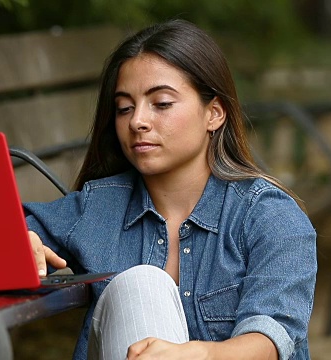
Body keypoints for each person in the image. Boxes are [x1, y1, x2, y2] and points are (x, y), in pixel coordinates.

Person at [23, 19, 316, 360]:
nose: (137, 122)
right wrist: (17, 239)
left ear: (214, 113)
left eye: (161, 103)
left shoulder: (269, 216)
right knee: (142, 286)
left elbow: (270, 339)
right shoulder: (100, 207)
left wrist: (198, 355)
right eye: (124, 108)